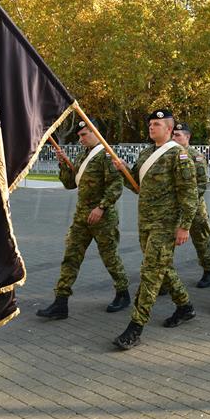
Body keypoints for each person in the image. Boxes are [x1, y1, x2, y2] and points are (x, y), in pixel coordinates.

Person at [112, 109, 198, 350]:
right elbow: (137, 186)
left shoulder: (178, 156)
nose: (152, 127)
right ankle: (185, 307)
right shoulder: (146, 153)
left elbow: (189, 195)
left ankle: (135, 327)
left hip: (166, 224)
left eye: (157, 124)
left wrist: (184, 226)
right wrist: (122, 170)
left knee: (150, 271)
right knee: (163, 268)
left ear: (169, 129)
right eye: (150, 123)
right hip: (146, 223)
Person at [37, 119, 129, 320]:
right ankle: (61, 302)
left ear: (96, 133)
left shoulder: (106, 154)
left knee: (109, 257)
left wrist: (101, 207)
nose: (80, 139)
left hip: (103, 217)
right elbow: (70, 183)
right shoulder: (82, 155)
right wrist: (62, 164)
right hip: (81, 216)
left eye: (84, 134)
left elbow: (116, 184)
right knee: (71, 256)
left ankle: (123, 293)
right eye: (79, 136)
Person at [172, 122, 210, 288]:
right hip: (173, 208)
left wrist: (188, 201)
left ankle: (209, 269)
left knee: (201, 241)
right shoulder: (169, 154)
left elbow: (202, 184)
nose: (174, 138)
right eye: (173, 135)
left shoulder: (195, 156)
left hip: (195, 208)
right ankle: (164, 279)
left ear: (187, 137)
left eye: (178, 135)